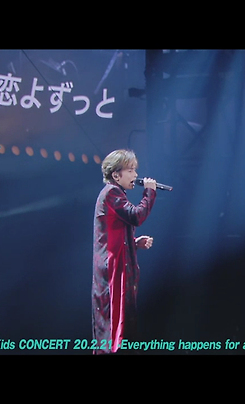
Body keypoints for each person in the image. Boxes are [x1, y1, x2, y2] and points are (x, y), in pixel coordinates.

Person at [92, 149, 157, 355]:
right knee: (113, 322)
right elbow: (136, 216)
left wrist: (133, 242)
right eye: (130, 170)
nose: (135, 175)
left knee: (122, 321)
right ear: (116, 175)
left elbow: (113, 234)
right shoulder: (111, 193)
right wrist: (149, 192)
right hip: (112, 270)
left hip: (117, 264)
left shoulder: (115, 194)